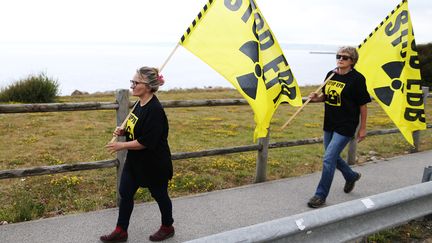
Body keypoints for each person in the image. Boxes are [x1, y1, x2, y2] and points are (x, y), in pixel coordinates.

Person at [101, 67, 174, 242]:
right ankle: (121, 230)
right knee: (125, 192)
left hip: (154, 163)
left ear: (148, 86)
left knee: (160, 195)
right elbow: (136, 127)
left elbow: (146, 142)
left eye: (136, 82)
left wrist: (121, 145)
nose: (132, 86)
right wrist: (124, 130)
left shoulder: (154, 110)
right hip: (135, 161)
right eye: (132, 82)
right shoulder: (138, 104)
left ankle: (167, 226)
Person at [307, 46, 371, 208]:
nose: (340, 59)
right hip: (330, 122)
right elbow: (327, 97)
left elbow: (363, 105)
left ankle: (320, 195)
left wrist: (363, 128)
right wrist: (317, 98)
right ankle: (351, 176)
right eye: (339, 56)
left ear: (352, 61)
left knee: (328, 159)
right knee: (332, 157)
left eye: (345, 57)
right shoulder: (331, 74)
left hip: (346, 125)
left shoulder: (357, 79)